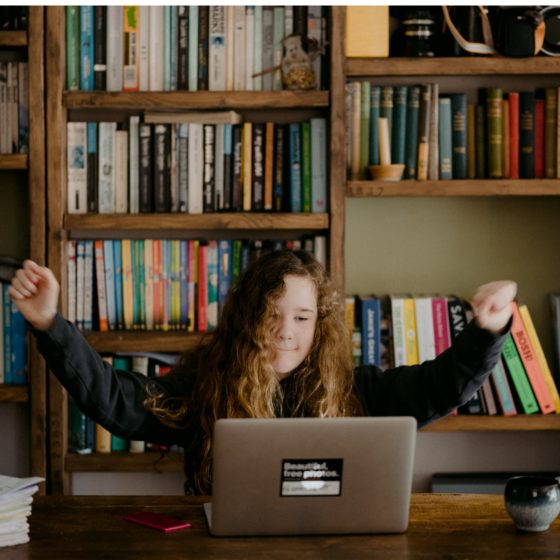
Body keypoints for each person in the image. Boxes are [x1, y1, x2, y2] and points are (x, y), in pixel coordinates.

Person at [9, 250, 516, 495]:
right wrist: (50, 324)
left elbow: (435, 389)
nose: (285, 332)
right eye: (270, 314)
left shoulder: (355, 389)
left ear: (319, 324)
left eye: (301, 317)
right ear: (247, 317)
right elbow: (115, 401)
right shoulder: (206, 386)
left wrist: (486, 332)